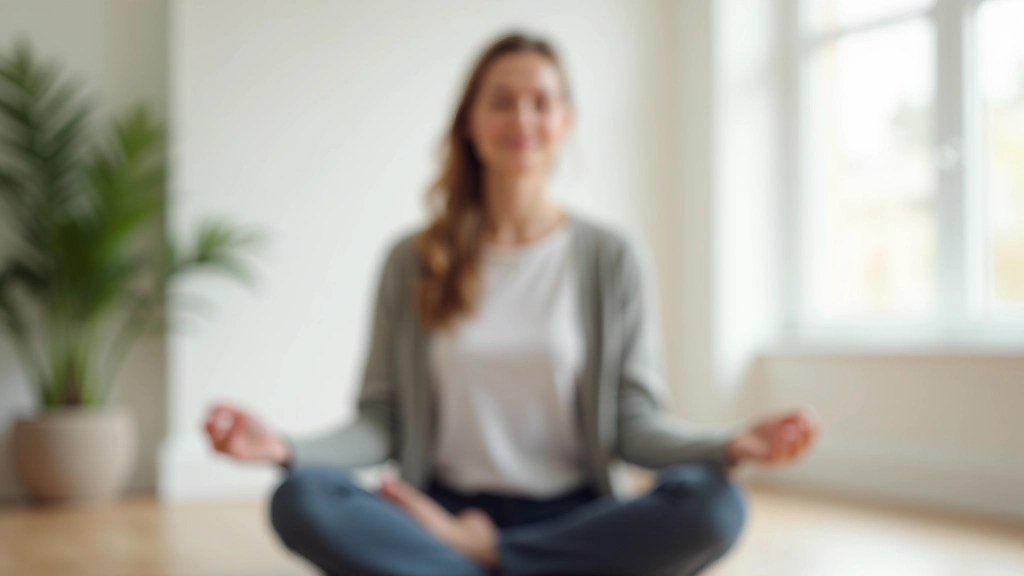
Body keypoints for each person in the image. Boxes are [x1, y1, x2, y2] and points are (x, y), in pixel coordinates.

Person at [203, 32, 820, 576]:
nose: (521, 116)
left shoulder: (612, 258)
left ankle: (482, 558)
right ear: (469, 123)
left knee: (716, 504)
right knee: (300, 499)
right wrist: (287, 448)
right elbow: (381, 421)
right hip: (438, 508)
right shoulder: (411, 259)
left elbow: (634, 424)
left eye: (541, 101)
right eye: (501, 100)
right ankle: (503, 560)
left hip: (576, 515)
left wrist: (728, 446)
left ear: (566, 122)